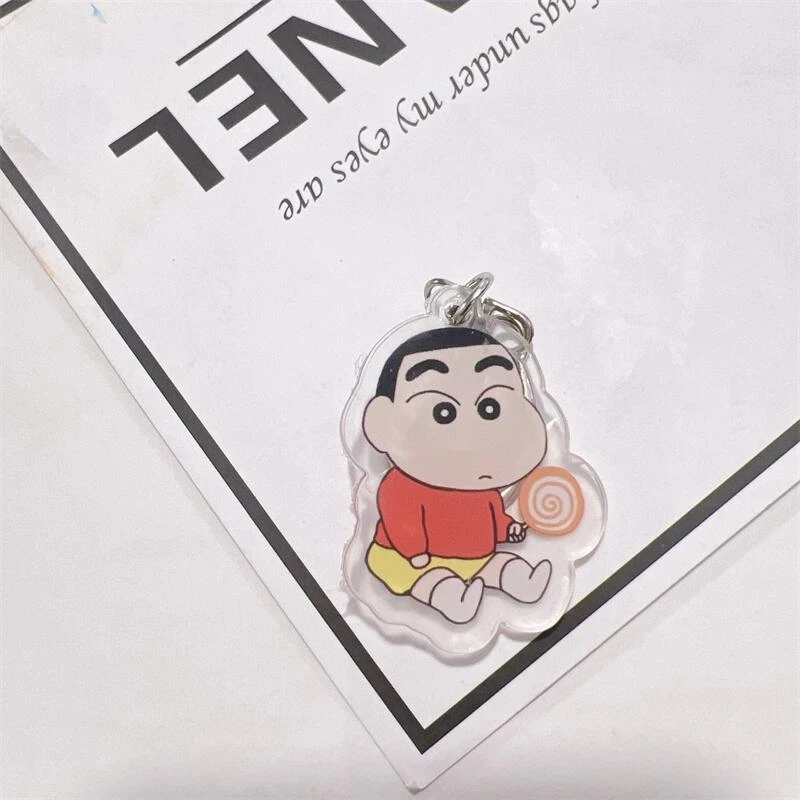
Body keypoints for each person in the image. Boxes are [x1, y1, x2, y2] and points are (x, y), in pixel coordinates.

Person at [362, 326, 551, 624]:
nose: (472, 432)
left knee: (497, 563)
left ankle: (522, 581)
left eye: (490, 408)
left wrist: (508, 529)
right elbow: (400, 516)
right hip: (407, 558)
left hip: (472, 555)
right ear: (383, 423)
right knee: (432, 579)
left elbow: (493, 514)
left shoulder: (482, 487)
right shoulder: (403, 485)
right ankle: (449, 598)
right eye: (444, 412)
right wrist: (414, 551)